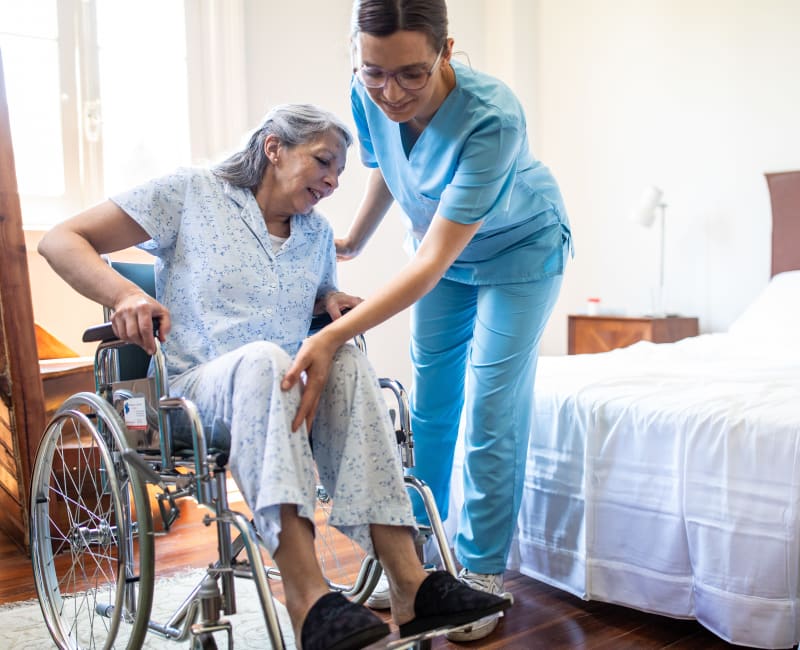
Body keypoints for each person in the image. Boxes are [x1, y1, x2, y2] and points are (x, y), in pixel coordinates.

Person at [37, 103, 510, 650]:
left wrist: (329, 299)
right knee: (264, 358)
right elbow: (61, 239)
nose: (333, 181)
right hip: (198, 392)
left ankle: (410, 584)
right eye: (324, 162)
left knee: (347, 357)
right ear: (274, 148)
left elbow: (310, 302)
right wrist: (125, 294)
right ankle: (308, 599)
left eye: (340, 173)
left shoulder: (315, 234)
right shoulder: (191, 193)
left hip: (287, 397)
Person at [281, 1, 572, 642]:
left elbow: (436, 260)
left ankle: (482, 570)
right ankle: (417, 565)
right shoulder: (369, 89)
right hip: (440, 252)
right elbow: (392, 167)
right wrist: (352, 238)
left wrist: (332, 335)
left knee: (492, 404)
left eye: (411, 74)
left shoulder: (492, 118)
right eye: (374, 73)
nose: (391, 93)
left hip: (517, 252)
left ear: (446, 51)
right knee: (431, 408)